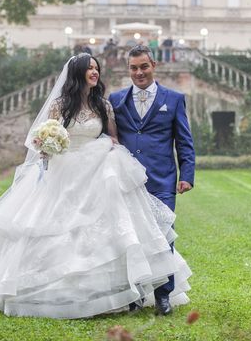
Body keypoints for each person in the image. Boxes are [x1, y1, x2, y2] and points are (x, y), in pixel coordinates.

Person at [0, 53, 191, 318]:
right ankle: (53, 289)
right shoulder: (59, 105)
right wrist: (46, 144)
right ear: (77, 73)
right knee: (56, 228)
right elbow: (44, 136)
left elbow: (113, 138)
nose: (94, 72)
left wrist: (114, 153)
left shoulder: (103, 105)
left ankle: (140, 292)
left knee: (108, 229)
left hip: (97, 169)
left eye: (96, 68)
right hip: (64, 171)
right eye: (89, 68)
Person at [108, 45, 195, 316]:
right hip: (128, 181)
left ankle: (163, 296)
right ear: (129, 70)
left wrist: (187, 176)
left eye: (143, 66)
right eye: (134, 68)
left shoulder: (174, 99)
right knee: (130, 238)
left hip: (162, 180)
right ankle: (134, 295)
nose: (139, 72)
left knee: (163, 237)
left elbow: (184, 141)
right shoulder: (116, 99)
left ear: (153, 65)